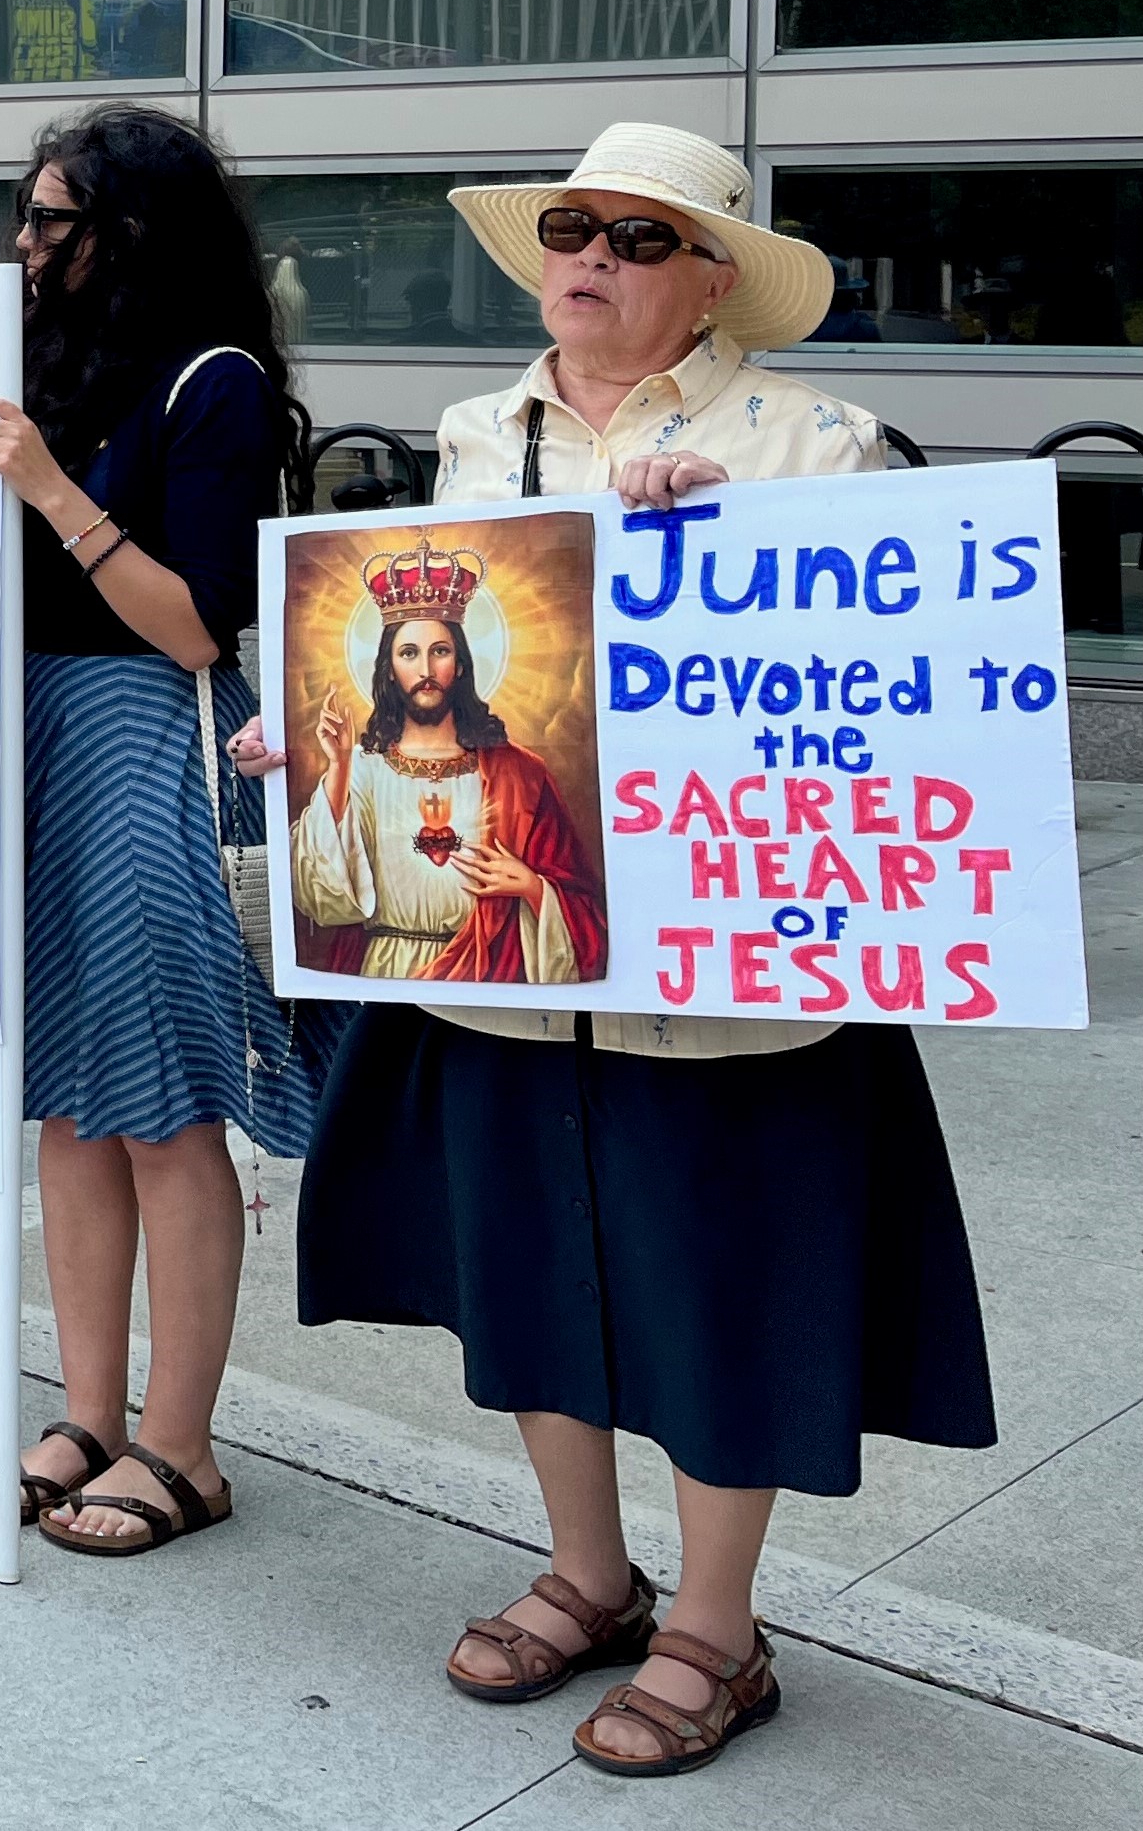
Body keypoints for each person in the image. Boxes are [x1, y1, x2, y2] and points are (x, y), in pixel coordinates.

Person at [233, 124, 995, 1776]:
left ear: (709, 275)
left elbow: (876, 688)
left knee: (721, 1288)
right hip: (503, 946)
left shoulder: (811, 439)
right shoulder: (468, 436)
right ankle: (588, 1571)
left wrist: (729, 554)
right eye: (571, 226)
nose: (586, 254)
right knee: (525, 1265)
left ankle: (714, 1628)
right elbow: (418, 678)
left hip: (723, 974)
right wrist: (318, 739)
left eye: (635, 238)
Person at [0, 104, 335, 1555]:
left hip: (142, 744)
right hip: (24, 737)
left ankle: (181, 1440)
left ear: (131, 232)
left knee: (161, 1105)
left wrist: (43, 486)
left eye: (55, 221)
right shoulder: (40, 365)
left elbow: (193, 624)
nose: (27, 246)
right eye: (24, 220)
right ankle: (86, 1408)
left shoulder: (208, 382)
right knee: (62, 1100)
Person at [289, 543, 610, 984]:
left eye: (439, 651)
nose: (425, 668)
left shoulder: (519, 774)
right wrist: (339, 769)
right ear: (388, 669)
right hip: (387, 976)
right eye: (408, 654)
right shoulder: (361, 769)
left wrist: (534, 888)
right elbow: (321, 899)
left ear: (460, 664)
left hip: (490, 976)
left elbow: (587, 912)